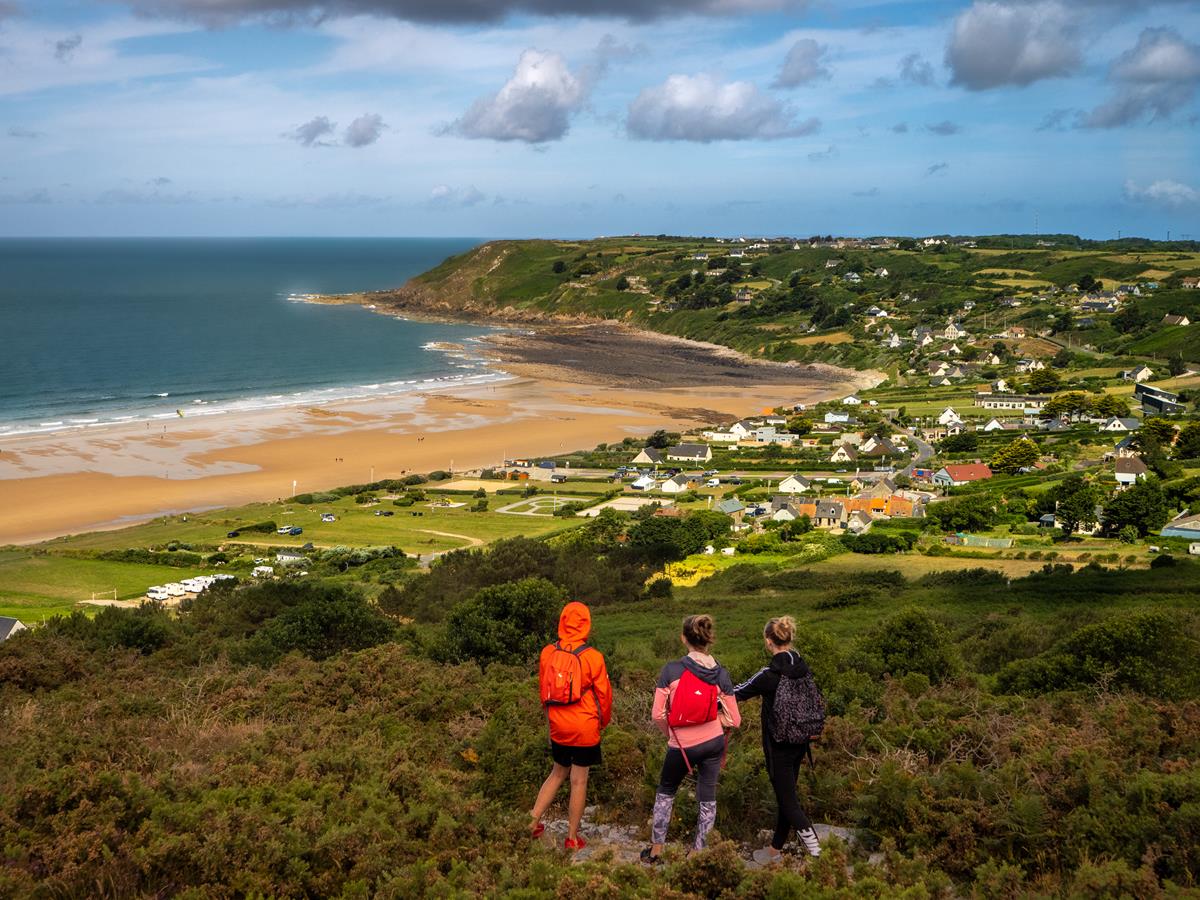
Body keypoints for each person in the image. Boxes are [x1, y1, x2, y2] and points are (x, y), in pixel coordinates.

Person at [642, 614, 741, 863]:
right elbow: (735, 720)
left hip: (681, 745)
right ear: (708, 640)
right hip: (713, 743)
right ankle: (698, 851)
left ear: (683, 638)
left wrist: (671, 733)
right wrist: (713, 720)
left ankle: (656, 851)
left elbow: (657, 714)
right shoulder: (721, 674)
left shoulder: (671, 670)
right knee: (707, 796)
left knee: (666, 791)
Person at [735, 615, 822, 863]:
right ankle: (775, 850)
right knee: (788, 797)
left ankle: (819, 854)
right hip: (801, 741)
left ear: (768, 641)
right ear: (790, 638)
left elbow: (736, 693)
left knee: (789, 802)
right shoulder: (803, 668)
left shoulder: (769, 675)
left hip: (778, 745)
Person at [529, 601, 613, 851]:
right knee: (578, 781)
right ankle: (572, 838)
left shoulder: (548, 652)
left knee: (557, 773)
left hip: (558, 724)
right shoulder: (593, 657)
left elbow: (543, 690)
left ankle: (530, 823)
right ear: (586, 624)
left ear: (562, 622)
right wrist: (602, 723)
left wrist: (551, 718)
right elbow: (604, 697)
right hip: (584, 726)